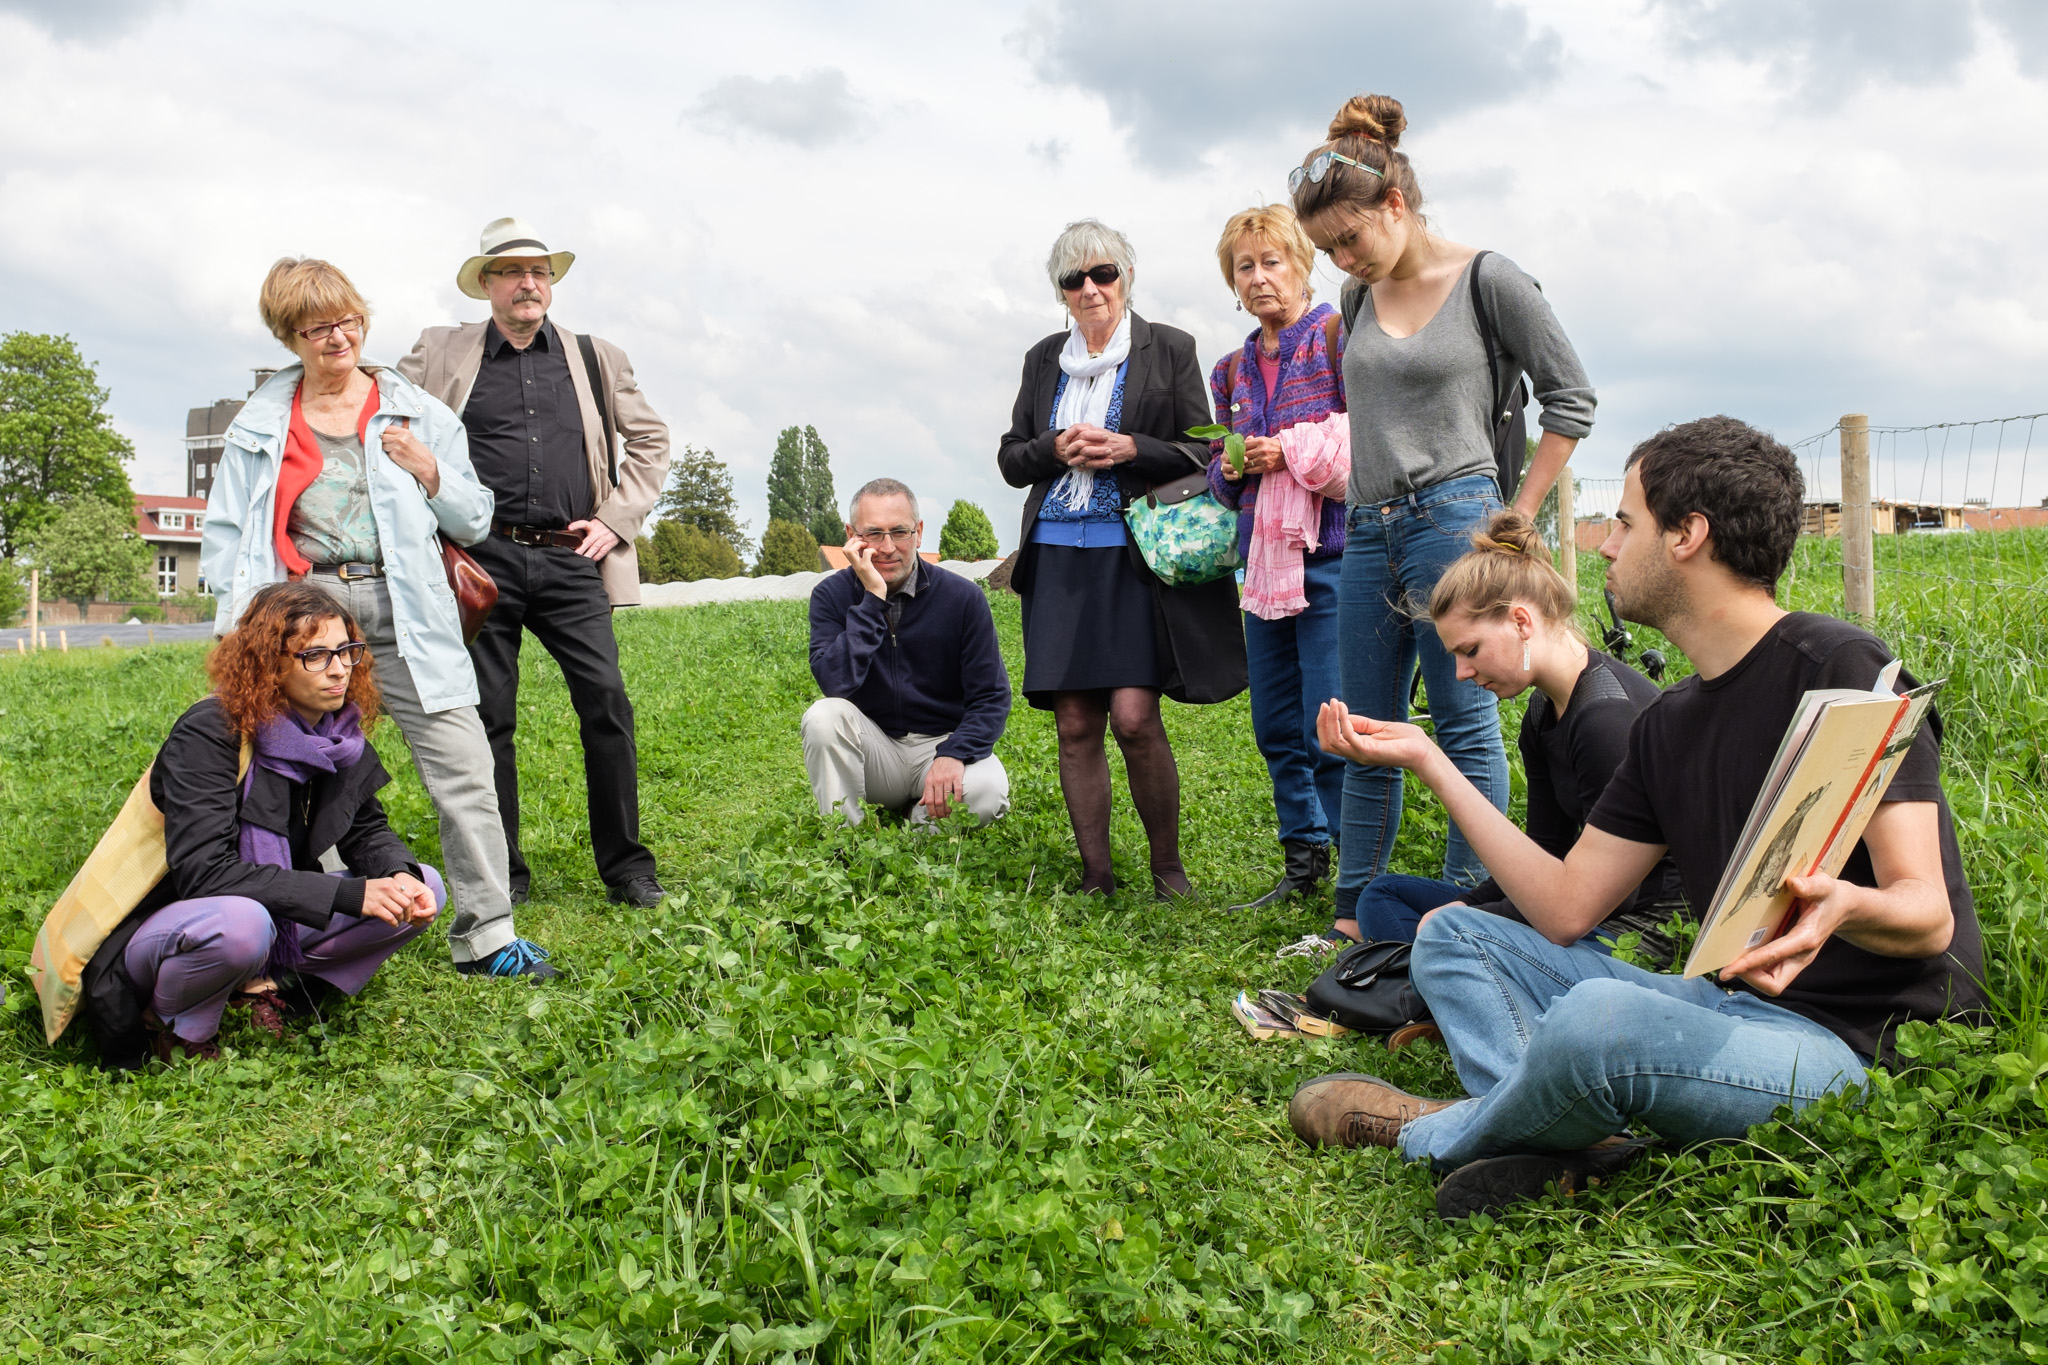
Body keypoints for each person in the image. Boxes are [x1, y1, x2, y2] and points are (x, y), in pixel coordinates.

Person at [1295, 417, 1988, 1220]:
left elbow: (1927, 915)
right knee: (1453, 935)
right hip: (1727, 1004)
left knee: (1599, 1021)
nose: (1604, 546)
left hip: (1853, 1046)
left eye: (1625, 523)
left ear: (1688, 534)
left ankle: (1434, 1128)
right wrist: (1430, 760)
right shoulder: (1668, 724)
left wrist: (1846, 905)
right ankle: (1563, 1134)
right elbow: (1565, 908)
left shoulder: (1841, 667)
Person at [1288, 93, 1597, 923]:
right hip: (1367, 526)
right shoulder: (1355, 301)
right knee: (1363, 727)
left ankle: (1469, 912)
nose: (1342, 259)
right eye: (1327, 248)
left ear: (1395, 203)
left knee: (1464, 725)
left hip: (1456, 517)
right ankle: (1353, 920)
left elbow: (1572, 398)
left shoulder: (1490, 280)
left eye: (1350, 238)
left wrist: (1518, 513)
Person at [202, 258, 554, 980]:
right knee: (304, 771)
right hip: (309, 621)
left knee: (465, 768)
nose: (340, 337)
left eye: (350, 320)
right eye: (319, 328)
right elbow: (228, 536)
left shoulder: (416, 412)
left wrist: (429, 470)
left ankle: (489, 937)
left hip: (404, 609)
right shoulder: (260, 425)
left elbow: (475, 518)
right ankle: (321, 923)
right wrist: (243, 630)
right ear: (290, 336)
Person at [398, 217, 672, 909]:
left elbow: (650, 440)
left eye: (540, 271)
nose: (529, 283)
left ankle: (628, 867)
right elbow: (386, 421)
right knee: (489, 717)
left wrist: (614, 520)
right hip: (479, 560)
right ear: (486, 283)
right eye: (514, 272)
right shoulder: (440, 351)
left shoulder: (596, 357)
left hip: (571, 557)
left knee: (606, 701)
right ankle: (504, 874)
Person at [1275, 509, 1684, 961]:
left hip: (1631, 935)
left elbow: (1605, 901)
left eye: (1470, 650)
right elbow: (1545, 850)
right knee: (1382, 896)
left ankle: (1425, 974)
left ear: (1521, 622)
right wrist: (1467, 906)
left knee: (1447, 930)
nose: (1461, 672)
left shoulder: (1605, 720)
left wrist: (1472, 919)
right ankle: (1431, 971)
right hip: (1568, 907)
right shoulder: (1544, 709)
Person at [80, 583, 442, 1067]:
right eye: (315, 655)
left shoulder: (336, 734)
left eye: (345, 650)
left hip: (267, 914)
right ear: (270, 663)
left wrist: (399, 875)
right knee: (242, 924)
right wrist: (347, 895)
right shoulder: (212, 732)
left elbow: (366, 830)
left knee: (426, 886)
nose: (339, 669)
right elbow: (205, 873)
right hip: (172, 922)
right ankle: (172, 1025)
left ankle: (271, 989)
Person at [997, 219, 1247, 898]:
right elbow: (1011, 459)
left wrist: (1131, 448)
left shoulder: (1169, 348)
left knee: (1135, 716)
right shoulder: (1043, 359)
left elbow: (1205, 450)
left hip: (1131, 556)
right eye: (1073, 279)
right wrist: (1054, 448)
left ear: (1126, 277)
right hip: (1056, 559)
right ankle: (1096, 876)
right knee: (1076, 721)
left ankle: (1168, 871)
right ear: (1061, 291)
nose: (1090, 288)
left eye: (1102, 273)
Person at [1203, 205, 1351, 912]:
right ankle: (1304, 857)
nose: (1259, 277)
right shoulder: (1230, 370)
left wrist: (1288, 451)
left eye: (1272, 261)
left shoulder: (1336, 338)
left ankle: (1359, 871)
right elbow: (1217, 476)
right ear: (1232, 282)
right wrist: (1231, 468)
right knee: (1275, 724)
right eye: (1245, 267)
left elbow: (1364, 438)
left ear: (1302, 264)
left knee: (1330, 725)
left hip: (1330, 557)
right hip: (1260, 566)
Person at [803, 479, 1012, 826]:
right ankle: (844, 836)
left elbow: (991, 697)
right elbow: (835, 682)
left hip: (940, 747)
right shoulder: (831, 596)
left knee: (988, 791)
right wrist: (872, 598)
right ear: (851, 536)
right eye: (873, 534)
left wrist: (954, 753)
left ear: (919, 532)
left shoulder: (963, 598)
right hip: (874, 751)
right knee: (823, 717)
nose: (888, 547)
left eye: (899, 532)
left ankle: (916, 828)